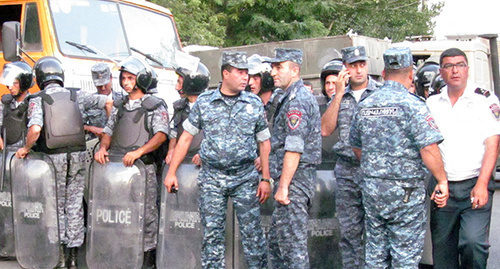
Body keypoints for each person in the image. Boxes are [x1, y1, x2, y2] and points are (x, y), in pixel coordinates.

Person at [163, 51, 271, 269]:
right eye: (240, 72)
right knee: (212, 238)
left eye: (247, 73)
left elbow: (264, 143)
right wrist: (171, 172)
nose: (245, 78)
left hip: (245, 178)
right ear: (225, 74)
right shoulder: (205, 102)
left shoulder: (254, 104)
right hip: (212, 178)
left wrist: (265, 179)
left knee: (254, 239)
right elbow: (185, 139)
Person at [349, 47, 449, 268]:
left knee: (375, 255)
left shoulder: (365, 105)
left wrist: (376, 168)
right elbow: (429, 148)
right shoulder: (413, 106)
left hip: (373, 190)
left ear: (384, 73)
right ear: (410, 74)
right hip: (406, 193)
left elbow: (356, 146)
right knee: (405, 257)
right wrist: (441, 180)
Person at [14, 56, 110, 268]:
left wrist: (26, 148)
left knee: (54, 204)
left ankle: (57, 255)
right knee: (74, 204)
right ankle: (74, 257)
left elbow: (35, 129)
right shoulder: (77, 94)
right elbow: (108, 102)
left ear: (40, 77)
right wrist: (107, 138)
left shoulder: (37, 99)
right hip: (76, 155)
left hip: (51, 159)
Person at [426, 47, 500, 269]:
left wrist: (482, 184)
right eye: (448, 66)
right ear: (441, 72)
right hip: (443, 188)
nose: (455, 70)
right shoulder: (432, 104)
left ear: (467, 69)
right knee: (443, 252)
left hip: (474, 186)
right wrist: (439, 182)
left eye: (459, 65)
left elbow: (493, 143)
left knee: (473, 244)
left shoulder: (484, 100)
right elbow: (427, 147)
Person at [94, 56, 168, 268]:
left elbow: (161, 134)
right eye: (123, 78)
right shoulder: (119, 105)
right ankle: (122, 254)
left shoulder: (154, 105)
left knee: (146, 215)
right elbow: (108, 131)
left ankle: (147, 259)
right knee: (120, 212)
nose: (126, 82)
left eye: (130, 78)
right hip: (119, 168)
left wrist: (139, 152)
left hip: (143, 168)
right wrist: (102, 148)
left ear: (140, 80)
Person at [320, 45, 381, 268]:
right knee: (349, 234)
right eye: (352, 66)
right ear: (345, 69)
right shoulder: (339, 97)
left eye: (361, 65)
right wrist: (338, 94)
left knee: (376, 234)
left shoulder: (380, 94)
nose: (358, 71)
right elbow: (325, 129)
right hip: (346, 171)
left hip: (374, 171)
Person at [266, 48, 321, 269]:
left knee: (293, 248)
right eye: (273, 67)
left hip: (294, 182)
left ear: (295, 70)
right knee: (278, 245)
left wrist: (284, 186)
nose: (273, 72)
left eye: (279, 67)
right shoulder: (287, 96)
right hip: (290, 179)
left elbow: (295, 147)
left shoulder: (297, 100)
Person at [0, 61, 33, 260]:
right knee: (6, 204)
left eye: (13, 82)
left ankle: (28, 247)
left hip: (27, 160)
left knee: (28, 205)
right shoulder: (5, 103)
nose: (9, 86)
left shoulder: (34, 103)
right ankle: (8, 247)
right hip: (6, 158)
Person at [165, 59, 210, 165]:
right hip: (182, 163)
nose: (177, 87)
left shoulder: (211, 107)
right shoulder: (179, 107)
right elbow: (174, 132)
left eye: (180, 83)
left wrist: (205, 154)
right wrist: (171, 150)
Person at [84, 63, 121, 140]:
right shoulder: (88, 101)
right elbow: (78, 125)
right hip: (95, 145)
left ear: (111, 78)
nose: (103, 88)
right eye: (99, 85)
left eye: (105, 84)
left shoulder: (122, 100)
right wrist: (91, 128)